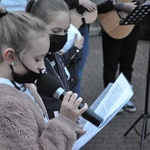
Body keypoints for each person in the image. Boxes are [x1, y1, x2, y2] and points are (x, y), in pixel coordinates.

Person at [0, 6, 88, 149]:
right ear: (10, 56)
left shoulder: (22, 83)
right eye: (37, 59)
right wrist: (63, 124)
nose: (43, 66)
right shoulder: (6, 107)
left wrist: (68, 127)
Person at [26, 0, 85, 119]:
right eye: (56, 31)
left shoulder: (55, 53)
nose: (62, 36)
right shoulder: (32, 63)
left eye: (66, 31)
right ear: (37, 26)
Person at [99, 0, 143, 113]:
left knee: (127, 65)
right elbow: (98, 4)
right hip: (113, 24)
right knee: (111, 65)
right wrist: (122, 6)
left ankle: (124, 98)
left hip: (133, 25)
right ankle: (110, 101)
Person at [63, 0, 97, 96]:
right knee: (62, 69)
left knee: (77, 74)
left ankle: (76, 105)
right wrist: (79, 2)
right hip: (64, 26)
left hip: (82, 24)